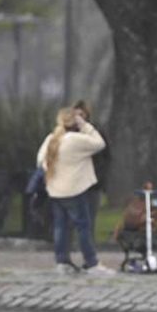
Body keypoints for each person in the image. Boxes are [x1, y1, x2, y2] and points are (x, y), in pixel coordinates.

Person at [36, 108, 114, 275]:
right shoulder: (75, 140)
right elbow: (99, 143)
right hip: (74, 190)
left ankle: (62, 261)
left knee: (60, 227)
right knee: (83, 227)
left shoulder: (52, 139)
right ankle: (91, 262)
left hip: (55, 191)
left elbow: (41, 160)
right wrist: (85, 125)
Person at [71, 100, 109, 239]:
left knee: (90, 217)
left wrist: (100, 176)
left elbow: (106, 155)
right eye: (75, 115)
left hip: (93, 183)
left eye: (81, 115)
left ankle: (88, 245)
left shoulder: (96, 133)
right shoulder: (70, 134)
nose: (78, 118)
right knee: (75, 218)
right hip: (75, 182)